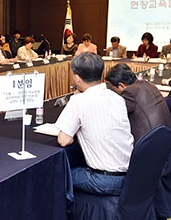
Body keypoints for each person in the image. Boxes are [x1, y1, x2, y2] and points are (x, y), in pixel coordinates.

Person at [54, 52, 134, 196]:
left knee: (58, 174)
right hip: (130, 176)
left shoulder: (79, 101)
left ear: (77, 78)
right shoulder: (116, 98)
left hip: (104, 180)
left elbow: (63, 140)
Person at [105, 63, 171, 143]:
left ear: (121, 86)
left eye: (110, 88)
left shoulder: (129, 93)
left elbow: (113, 115)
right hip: (165, 140)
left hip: (148, 146)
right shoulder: (148, 84)